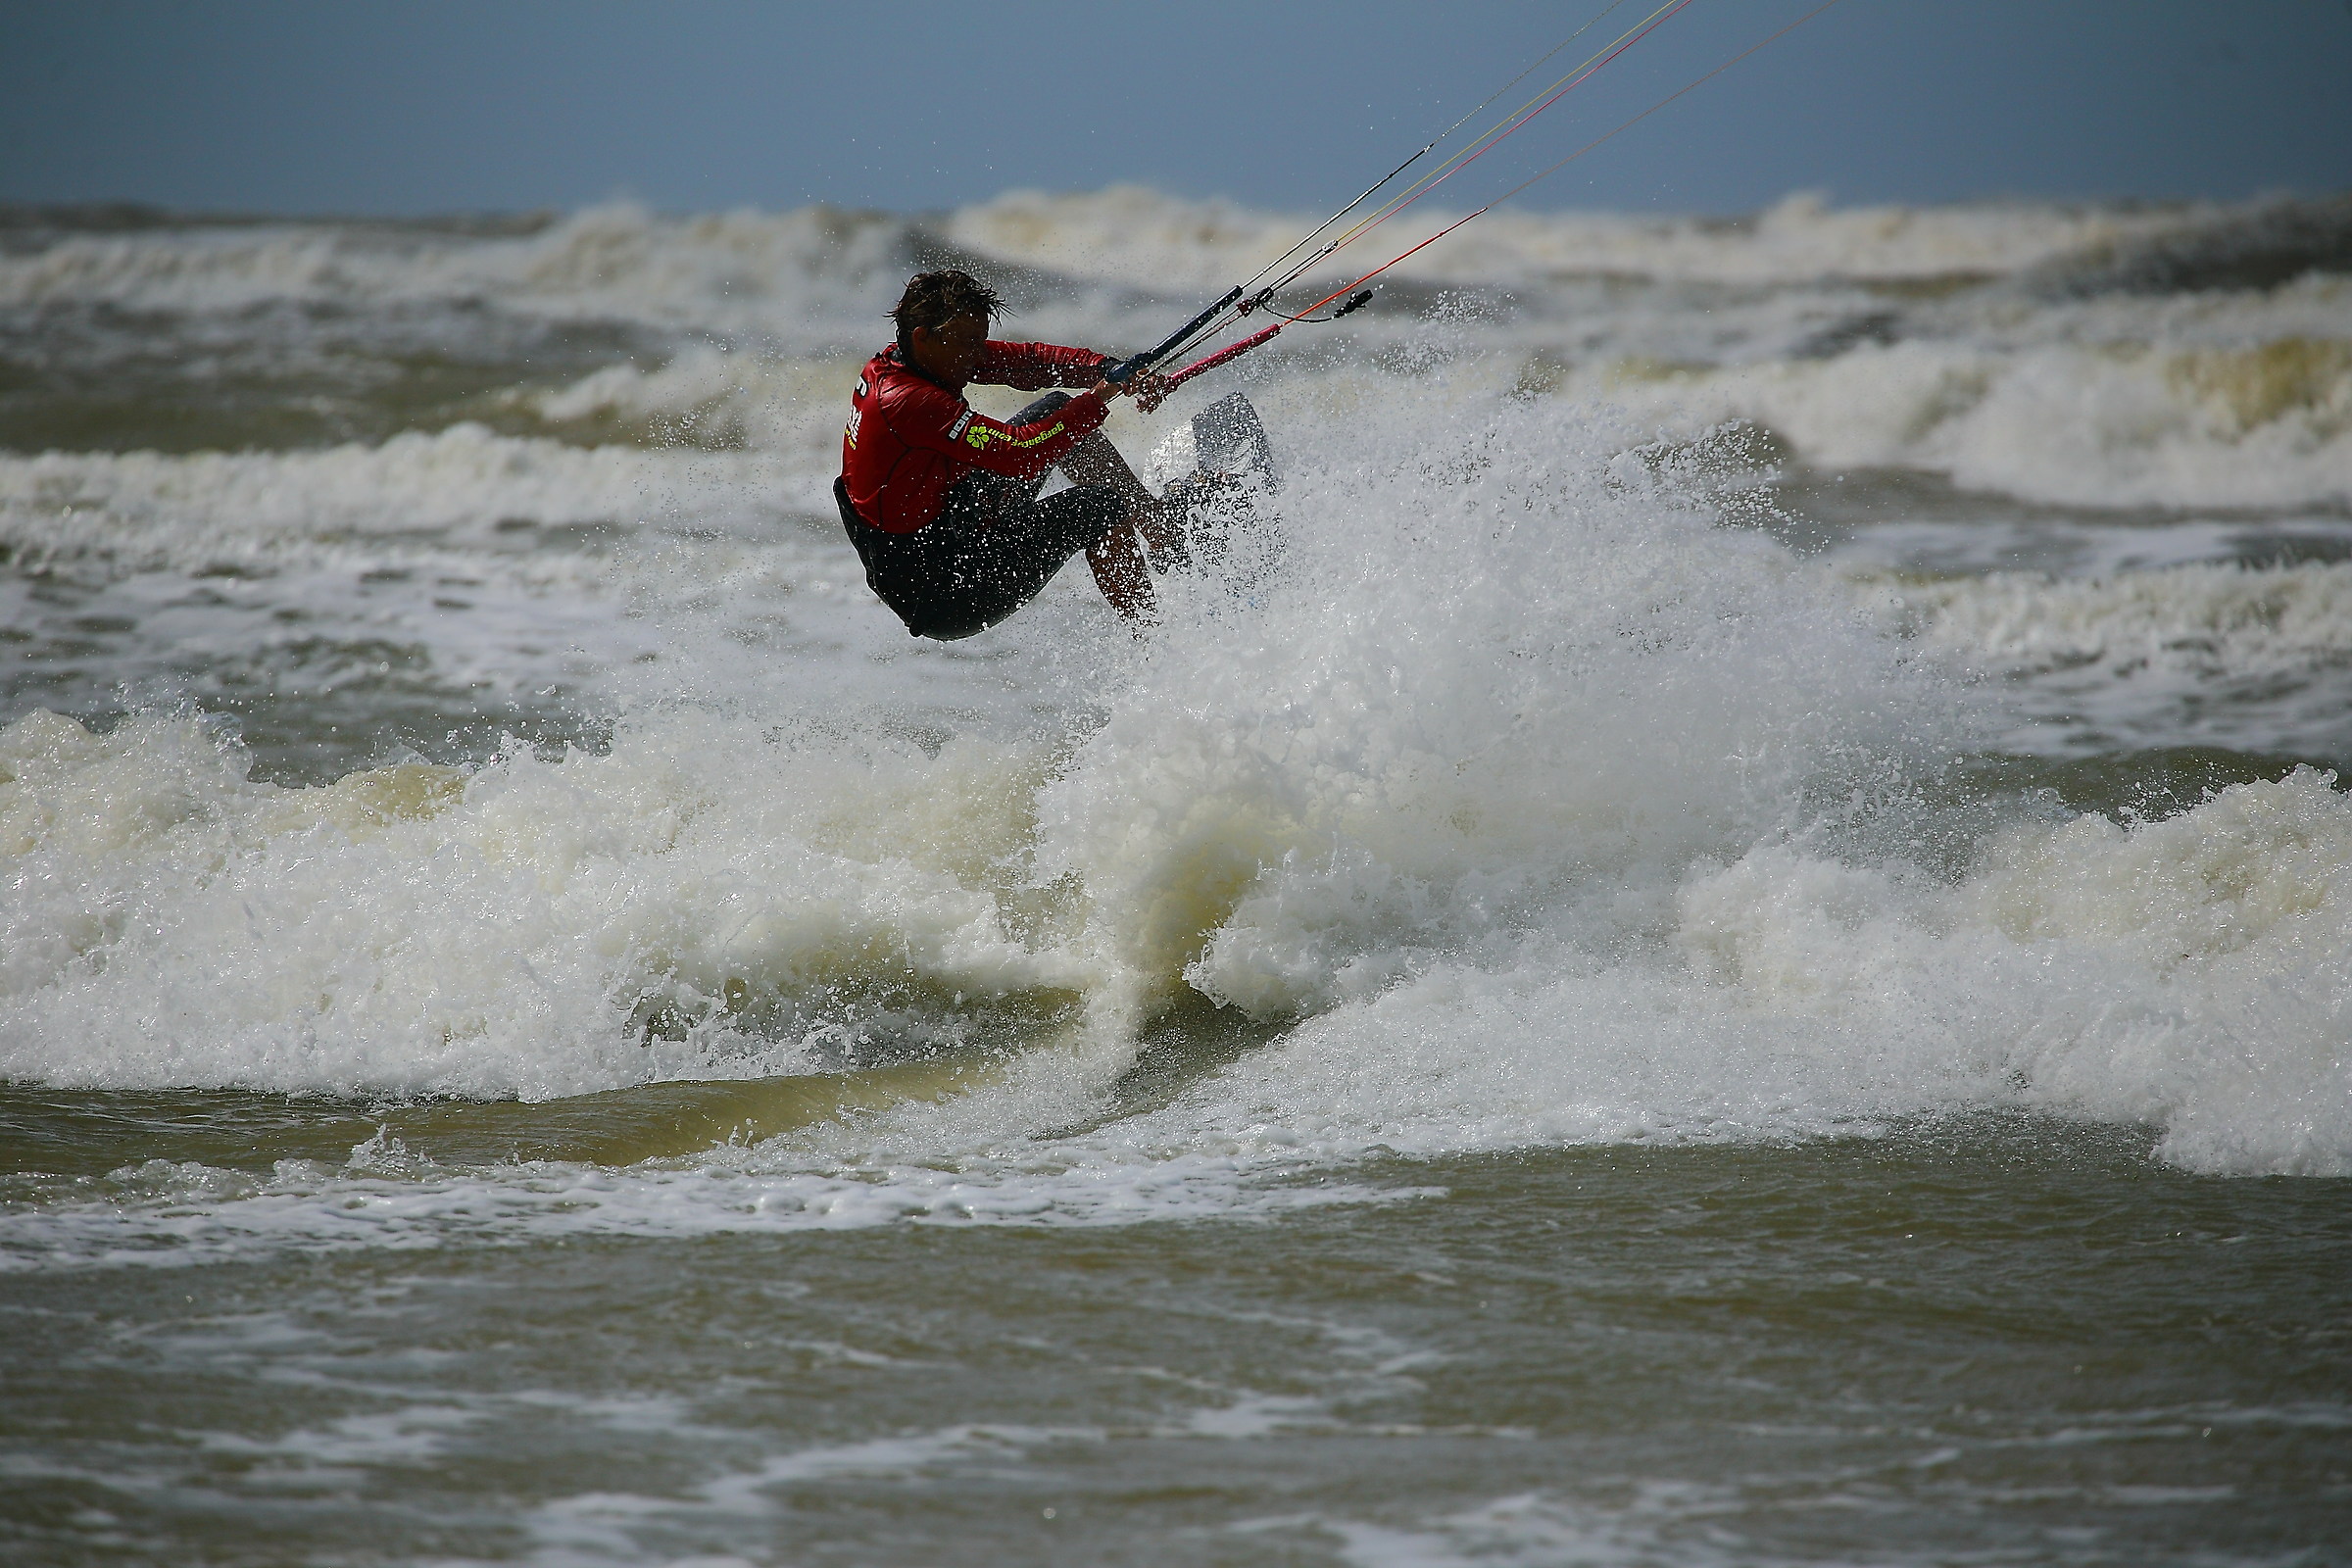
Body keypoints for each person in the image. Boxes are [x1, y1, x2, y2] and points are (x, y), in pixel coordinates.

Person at [835, 270, 1182, 640]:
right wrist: (1098, 400)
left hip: (958, 520)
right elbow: (1021, 453)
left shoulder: (912, 359)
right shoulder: (908, 401)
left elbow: (1028, 363)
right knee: (1099, 507)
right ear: (923, 337)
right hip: (945, 591)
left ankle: (1161, 531)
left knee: (1056, 408)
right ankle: (1154, 642)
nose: (978, 355)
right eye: (969, 343)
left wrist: (1109, 369)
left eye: (980, 340)